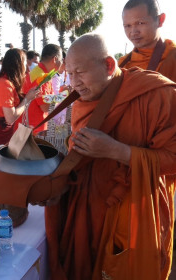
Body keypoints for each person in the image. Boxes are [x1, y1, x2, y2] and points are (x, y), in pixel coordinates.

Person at [39, 34, 176, 279]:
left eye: (80, 72)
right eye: (69, 74)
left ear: (109, 65)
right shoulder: (82, 100)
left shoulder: (156, 93)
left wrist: (116, 151)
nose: (74, 83)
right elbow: (79, 154)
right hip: (88, 211)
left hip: (133, 212)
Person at [0, 48, 39, 164]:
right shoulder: (5, 84)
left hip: (3, 135)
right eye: (25, 63)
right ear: (18, 64)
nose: (27, 68)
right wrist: (27, 99)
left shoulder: (6, 81)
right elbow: (10, 117)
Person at [119, 0, 176, 82]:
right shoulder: (122, 65)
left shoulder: (172, 57)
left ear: (160, 20)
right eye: (127, 26)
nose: (133, 32)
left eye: (140, 23)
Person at [15, 44, 63, 134]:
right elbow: (45, 107)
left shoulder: (39, 72)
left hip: (27, 127)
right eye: (61, 60)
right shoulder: (41, 77)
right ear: (55, 59)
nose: (62, 63)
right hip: (34, 130)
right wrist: (63, 96)